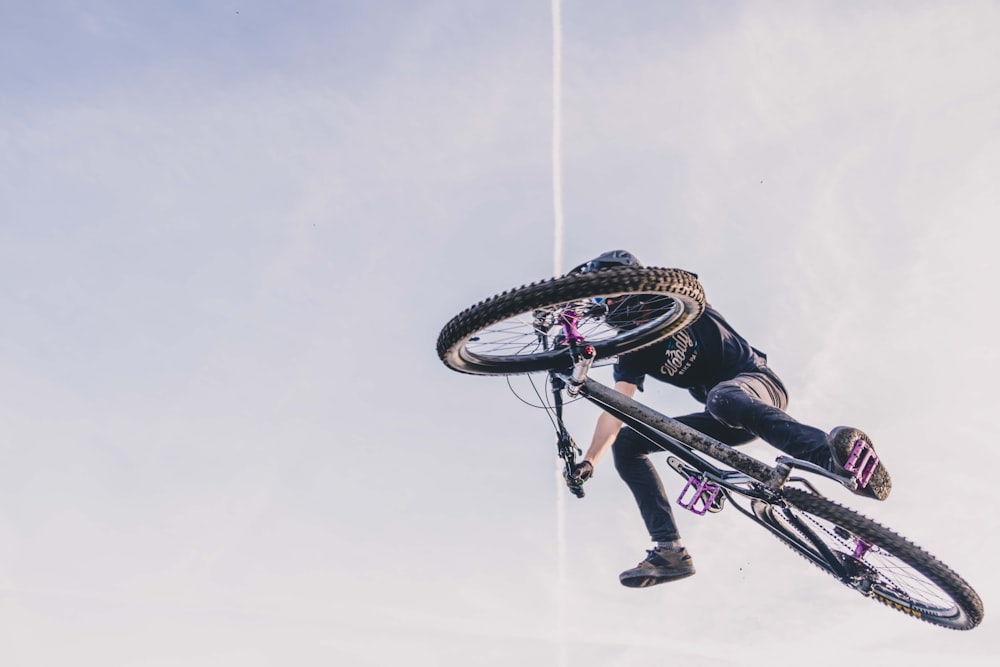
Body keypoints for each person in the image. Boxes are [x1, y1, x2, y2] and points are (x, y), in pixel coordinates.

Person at [565, 250, 891, 588]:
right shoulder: (633, 349)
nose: (607, 300)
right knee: (630, 444)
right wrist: (589, 461)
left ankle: (833, 460)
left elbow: (687, 283)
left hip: (757, 385)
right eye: (600, 296)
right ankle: (669, 550)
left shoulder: (675, 301)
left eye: (609, 288)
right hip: (722, 416)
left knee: (723, 397)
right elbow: (616, 410)